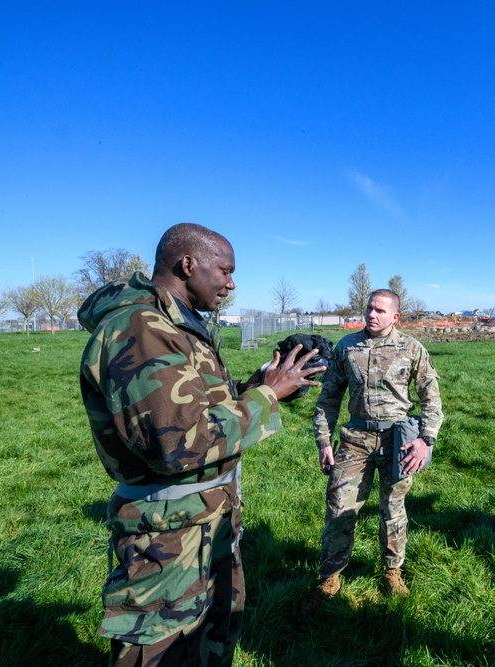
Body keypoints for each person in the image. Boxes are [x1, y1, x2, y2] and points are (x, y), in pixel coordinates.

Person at [78, 223, 325, 667]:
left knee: (208, 651)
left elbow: (206, 407)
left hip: (207, 527)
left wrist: (269, 380)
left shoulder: (177, 324)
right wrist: (268, 396)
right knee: (162, 654)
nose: (232, 284)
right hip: (169, 542)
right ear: (187, 264)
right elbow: (177, 444)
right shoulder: (140, 328)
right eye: (225, 271)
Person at [305, 288, 443, 606]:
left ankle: (392, 571)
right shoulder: (347, 347)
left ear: (394, 316)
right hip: (355, 440)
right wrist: (323, 441)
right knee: (340, 508)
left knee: (393, 510)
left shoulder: (411, 348)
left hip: (399, 441)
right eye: (369, 308)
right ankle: (329, 578)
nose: (371, 314)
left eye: (380, 310)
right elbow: (328, 398)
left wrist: (425, 439)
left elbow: (431, 398)